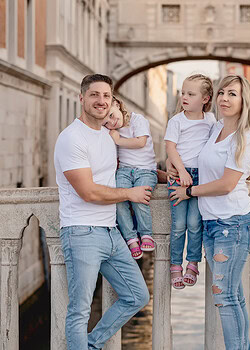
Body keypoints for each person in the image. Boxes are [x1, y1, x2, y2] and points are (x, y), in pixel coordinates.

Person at [54, 74, 152, 350]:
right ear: (82, 98)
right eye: (95, 95)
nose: (101, 101)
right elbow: (88, 192)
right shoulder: (71, 138)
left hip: (111, 232)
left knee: (137, 296)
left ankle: (91, 345)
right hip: (81, 231)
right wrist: (129, 194)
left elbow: (132, 169)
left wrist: (171, 178)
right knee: (80, 310)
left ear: (113, 102)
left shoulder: (109, 137)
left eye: (106, 96)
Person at [169, 75, 250, 350]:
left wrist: (188, 192)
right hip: (212, 223)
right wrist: (170, 169)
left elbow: (226, 184)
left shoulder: (244, 137)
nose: (224, 98)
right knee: (233, 296)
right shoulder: (216, 128)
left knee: (224, 297)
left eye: (232, 94)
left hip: (232, 224)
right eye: (222, 92)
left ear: (245, 100)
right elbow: (191, 157)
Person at [164, 74, 216, 289]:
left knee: (195, 224)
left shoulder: (211, 120)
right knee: (178, 225)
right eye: (183, 92)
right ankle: (176, 264)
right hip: (179, 176)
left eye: (191, 94)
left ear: (205, 98)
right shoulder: (177, 121)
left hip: (201, 178)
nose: (184, 97)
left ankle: (193, 262)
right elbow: (171, 147)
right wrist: (181, 171)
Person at [103, 96, 158, 259]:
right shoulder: (111, 132)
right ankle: (131, 238)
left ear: (116, 104)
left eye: (111, 115)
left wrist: (118, 140)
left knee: (139, 199)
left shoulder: (137, 120)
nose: (111, 123)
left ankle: (146, 234)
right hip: (125, 171)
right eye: (106, 122)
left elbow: (141, 142)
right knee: (118, 199)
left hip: (145, 170)